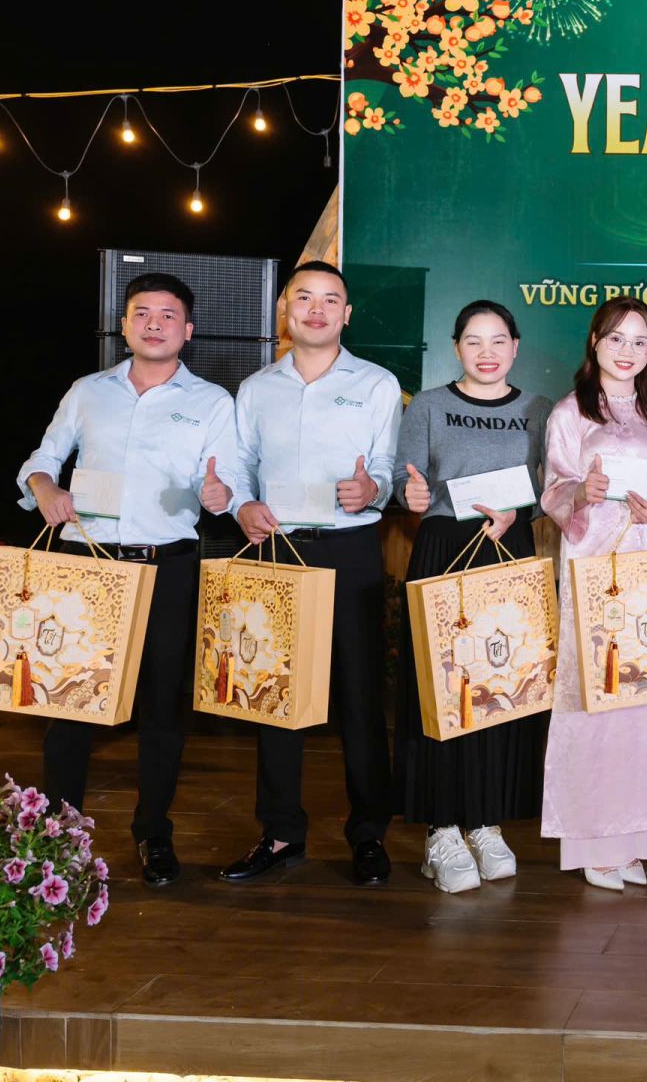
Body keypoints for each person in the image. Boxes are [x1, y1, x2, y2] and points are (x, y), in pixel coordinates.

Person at [17, 272, 241, 887]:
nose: (153, 324)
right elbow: (42, 458)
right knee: (71, 704)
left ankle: (153, 833)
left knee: (162, 707)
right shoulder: (88, 392)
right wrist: (45, 488)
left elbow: (223, 483)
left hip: (168, 564)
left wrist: (220, 495)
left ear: (187, 331)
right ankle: (58, 836)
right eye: (142, 313)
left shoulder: (213, 403)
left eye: (167, 315)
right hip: (89, 563)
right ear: (124, 325)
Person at [220, 260, 402, 886]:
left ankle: (369, 834)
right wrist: (242, 504)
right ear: (286, 311)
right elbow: (239, 463)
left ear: (347, 315)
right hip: (277, 550)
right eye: (304, 298)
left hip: (350, 550)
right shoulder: (256, 388)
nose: (316, 310)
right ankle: (279, 833)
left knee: (360, 697)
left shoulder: (377, 384)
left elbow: (386, 465)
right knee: (273, 695)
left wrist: (373, 489)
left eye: (330, 300)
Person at [394, 300, 554, 893]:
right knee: (441, 691)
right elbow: (404, 481)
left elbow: (552, 488)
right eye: (473, 341)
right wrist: (408, 495)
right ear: (456, 347)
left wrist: (524, 512)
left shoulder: (540, 410)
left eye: (498, 341)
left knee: (503, 690)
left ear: (516, 347)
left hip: (510, 550)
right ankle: (441, 830)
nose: (487, 353)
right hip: (443, 548)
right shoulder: (429, 406)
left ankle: (486, 822)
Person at [540, 297, 647, 890]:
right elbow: (553, 492)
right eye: (616, 339)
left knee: (646, 708)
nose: (628, 351)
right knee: (594, 705)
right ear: (595, 342)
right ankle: (593, 843)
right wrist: (584, 491)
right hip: (595, 575)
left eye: (639, 341)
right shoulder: (570, 413)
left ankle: (635, 841)